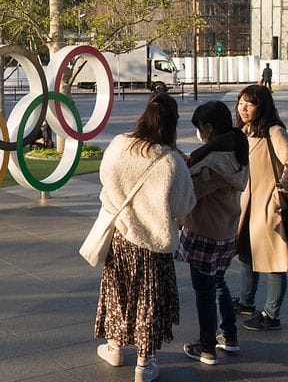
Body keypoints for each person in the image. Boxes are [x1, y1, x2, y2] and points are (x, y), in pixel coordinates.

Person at [93, 93, 196, 382]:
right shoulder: (172, 161)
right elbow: (184, 206)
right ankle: (144, 362)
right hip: (153, 242)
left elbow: (105, 179)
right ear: (173, 122)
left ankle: (114, 346)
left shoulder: (119, 144)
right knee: (148, 300)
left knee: (119, 293)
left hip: (122, 236)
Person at [177, 101, 249, 365]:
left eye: (199, 128)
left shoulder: (214, 161)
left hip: (205, 233)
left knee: (204, 291)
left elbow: (190, 189)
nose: (199, 133)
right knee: (218, 283)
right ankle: (229, 336)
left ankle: (206, 347)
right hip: (226, 232)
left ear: (208, 127)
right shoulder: (235, 149)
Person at [233, 84, 288, 331]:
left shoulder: (274, 132)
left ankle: (271, 314)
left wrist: (281, 193)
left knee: (274, 261)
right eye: (241, 102)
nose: (243, 108)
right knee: (246, 255)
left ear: (261, 107)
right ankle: (246, 302)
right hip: (248, 206)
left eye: (250, 104)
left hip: (268, 206)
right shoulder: (245, 131)